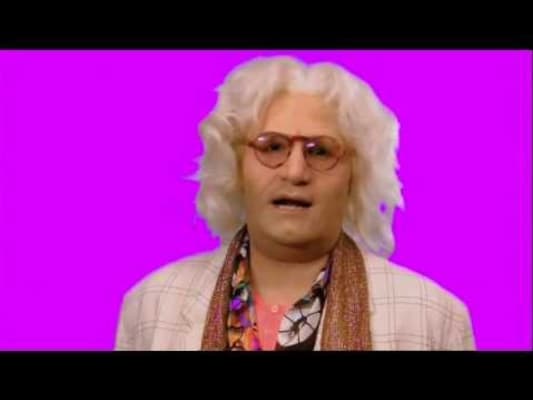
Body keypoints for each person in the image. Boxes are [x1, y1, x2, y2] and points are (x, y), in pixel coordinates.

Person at [114, 55, 476, 351]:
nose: (296, 171)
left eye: (320, 151)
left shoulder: (433, 317)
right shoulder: (152, 303)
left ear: (356, 175)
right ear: (235, 167)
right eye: (272, 147)